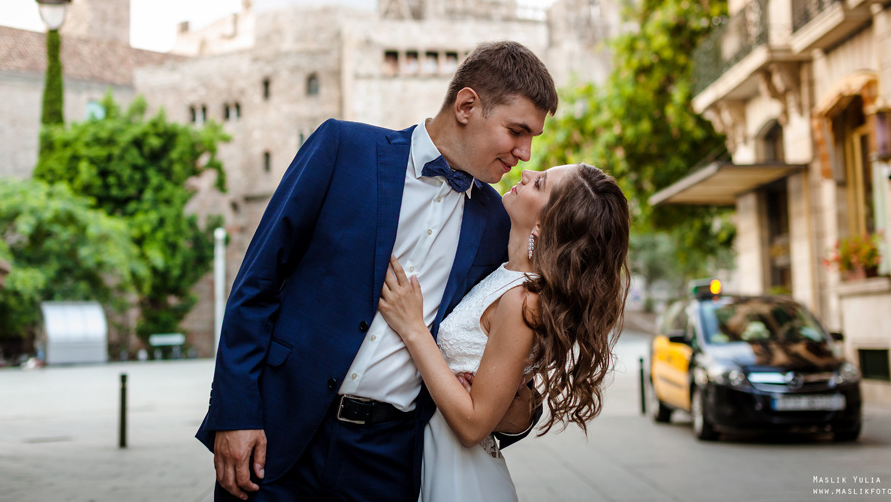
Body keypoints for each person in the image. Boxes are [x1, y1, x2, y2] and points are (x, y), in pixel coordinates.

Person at [196, 41, 559, 501]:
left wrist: (517, 405)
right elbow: (257, 283)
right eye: (517, 131)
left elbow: (498, 341)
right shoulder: (342, 149)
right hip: (278, 436)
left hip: (390, 463)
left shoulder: (496, 223)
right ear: (467, 105)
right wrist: (237, 412)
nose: (525, 153)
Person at [379, 163, 631, 501]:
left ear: (545, 225)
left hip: (459, 474)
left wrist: (413, 327)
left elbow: (472, 425)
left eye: (540, 184)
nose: (527, 173)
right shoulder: (511, 277)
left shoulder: (523, 301)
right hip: (428, 454)